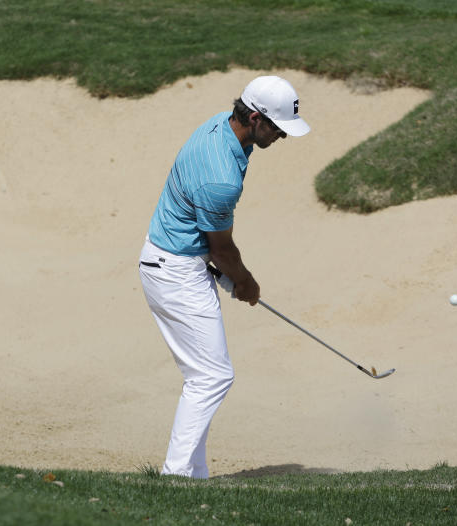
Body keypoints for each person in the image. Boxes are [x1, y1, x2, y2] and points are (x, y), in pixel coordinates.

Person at [137, 76, 310, 478]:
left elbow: (210, 244)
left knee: (205, 376)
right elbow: (222, 249)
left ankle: (194, 474)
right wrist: (246, 284)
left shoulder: (221, 125)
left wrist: (222, 270)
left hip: (177, 260)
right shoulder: (221, 178)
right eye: (278, 128)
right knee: (212, 376)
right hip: (176, 272)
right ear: (254, 117)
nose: (283, 136)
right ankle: (177, 477)